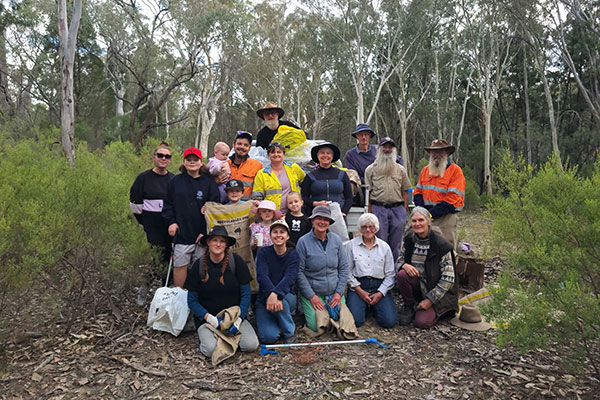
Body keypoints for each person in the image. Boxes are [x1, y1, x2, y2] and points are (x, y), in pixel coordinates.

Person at [185, 225, 259, 357]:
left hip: (233, 316)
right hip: (209, 319)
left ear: (226, 244)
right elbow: (191, 300)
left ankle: (226, 339)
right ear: (208, 242)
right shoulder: (199, 266)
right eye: (214, 240)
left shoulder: (236, 262)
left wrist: (239, 320)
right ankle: (217, 338)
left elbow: (246, 294)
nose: (218, 244)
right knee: (210, 350)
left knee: (251, 345)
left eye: (222, 241)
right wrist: (209, 318)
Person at [162, 147, 220, 288]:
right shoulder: (175, 181)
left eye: (195, 160)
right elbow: (167, 205)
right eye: (189, 160)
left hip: (202, 235)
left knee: (202, 268)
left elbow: (215, 208)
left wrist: (205, 232)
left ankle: (199, 301)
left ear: (201, 163)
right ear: (184, 162)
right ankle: (179, 298)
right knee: (180, 266)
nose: (192, 162)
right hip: (181, 233)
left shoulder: (209, 183)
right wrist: (171, 222)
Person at [395, 207, 458, 328]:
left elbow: (448, 278)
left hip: (436, 292)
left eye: (421, 220)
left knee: (421, 322)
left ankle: (436, 310)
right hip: (418, 285)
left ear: (428, 222)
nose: (417, 224)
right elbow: (399, 260)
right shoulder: (409, 240)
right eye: (414, 221)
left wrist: (430, 300)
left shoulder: (441, 245)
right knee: (402, 274)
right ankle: (410, 306)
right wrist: (404, 265)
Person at [296, 206, 350, 333]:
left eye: (326, 219)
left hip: (334, 292)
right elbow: (299, 272)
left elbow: (344, 267)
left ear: (329, 222)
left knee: (344, 323)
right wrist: (311, 296)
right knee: (317, 327)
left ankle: (332, 313)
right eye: (318, 218)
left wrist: (338, 293)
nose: (322, 222)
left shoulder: (336, 240)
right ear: (312, 221)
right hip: (314, 293)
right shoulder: (303, 242)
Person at [345, 213, 397, 328]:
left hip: (379, 286)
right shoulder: (351, 245)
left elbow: (390, 274)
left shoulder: (385, 247)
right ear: (360, 229)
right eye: (364, 227)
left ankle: (373, 306)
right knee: (356, 321)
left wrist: (380, 293)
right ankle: (364, 305)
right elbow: (347, 271)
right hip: (358, 287)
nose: (368, 230)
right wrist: (359, 291)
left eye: (371, 226)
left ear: (376, 228)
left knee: (389, 322)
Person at [365, 137, 411, 260]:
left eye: (390, 147)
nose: (387, 149)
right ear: (379, 148)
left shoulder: (401, 170)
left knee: (396, 243)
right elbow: (367, 193)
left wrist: (403, 211)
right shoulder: (370, 170)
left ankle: (395, 272)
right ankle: (379, 272)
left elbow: (405, 190)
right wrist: (370, 214)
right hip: (378, 208)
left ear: (394, 150)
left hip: (397, 209)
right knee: (379, 242)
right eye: (384, 146)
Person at [414, 139, 465, 249]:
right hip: (425, 216)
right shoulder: (425, 171)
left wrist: (431, 215)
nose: (437, 155)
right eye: (434, 152)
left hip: (446, 218)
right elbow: (418, 192)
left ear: (447, 153)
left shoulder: (455, 171)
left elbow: (453, 199)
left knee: (446, 250)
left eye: (440, 152)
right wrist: (423, 213)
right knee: (423, 249)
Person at [255, 219, 299, 344]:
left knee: (282, 304)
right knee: (268, 338)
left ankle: (289, 332)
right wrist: (271, 294)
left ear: (287, 236)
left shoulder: (293, 255)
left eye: (282, 232)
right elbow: (262, 276)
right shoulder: (264, 252)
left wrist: (276, 294)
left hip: (287, 296)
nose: (278, 235)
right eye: (275, 232)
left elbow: (290, 277)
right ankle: (277, 321)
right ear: (270, 235)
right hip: (265, 297)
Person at [129, 141, 174, 263]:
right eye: (160, 155)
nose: (163, 158)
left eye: (167, 156)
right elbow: (135, 203)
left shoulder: (174, 179)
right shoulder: (143, 178)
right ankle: (152, 278)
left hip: (169, 226)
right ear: (154, 157)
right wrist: (144, 221)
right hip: (152, 226)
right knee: (155, 255)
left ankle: (166, 280)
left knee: (168, 255)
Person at [300, 142, 353, 217]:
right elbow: (304, 197)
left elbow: (349, 198)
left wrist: (344, 212)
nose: (325, 155)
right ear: (317, 156)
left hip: (338, 216)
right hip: (317, 216)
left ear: (332, 156)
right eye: (322, 153)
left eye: (328, 153)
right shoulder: (310, 176)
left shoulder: (342, 174)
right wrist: (315, 204)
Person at [252, 142, 306, 213]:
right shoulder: (262, 174)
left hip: (293, 213)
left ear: (283, 154)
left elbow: (306, 184)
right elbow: (257, 197)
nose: (276, 154)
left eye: (279, 152)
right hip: (271, 214)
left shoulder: (293, 168)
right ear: (268, 155)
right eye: (273, 152)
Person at [228, 131, 263, 200]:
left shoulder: (257, 166)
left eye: (246, 145)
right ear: (233, 145)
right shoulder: (224, 164)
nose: (242, 147)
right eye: (239, 144)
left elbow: (260, 189)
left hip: (247, 208)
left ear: (249, 148)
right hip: (226, 207)